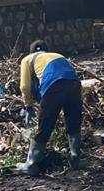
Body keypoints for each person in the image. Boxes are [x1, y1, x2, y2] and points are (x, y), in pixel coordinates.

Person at [15, 40, 81, 176]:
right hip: (75, 84)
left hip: (54, 87)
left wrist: (28, 106)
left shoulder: (27, 59)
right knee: (73, 122)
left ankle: (30, 164)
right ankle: (75, 158)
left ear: (32, 51)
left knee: (45, 125)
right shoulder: (59, 56)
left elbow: (25, 87)